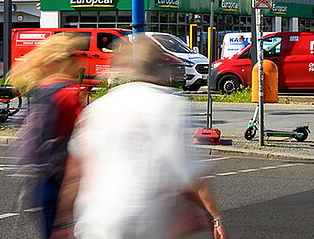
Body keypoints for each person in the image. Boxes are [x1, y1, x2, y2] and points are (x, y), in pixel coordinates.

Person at [52, 34, 226, 239]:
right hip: (144, 223)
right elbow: (186, 175)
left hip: (96, 222)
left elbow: (75, 172)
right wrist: (214, 216)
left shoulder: (98, 108)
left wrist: (62, 222)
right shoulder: (169, 105)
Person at [8, 34, 88, 238]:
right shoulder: (68, 95)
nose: (78, 63)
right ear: (59, 63)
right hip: (63, 180)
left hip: (42, 177)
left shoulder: (42, 90)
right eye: (73, 58)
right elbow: (83, 141)